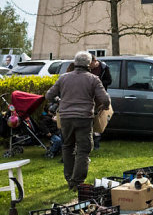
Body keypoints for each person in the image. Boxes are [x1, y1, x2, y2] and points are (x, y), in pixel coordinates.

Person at [46, 50, 110, 191]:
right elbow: (105, 100)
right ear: (89, 64)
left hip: (66, 118)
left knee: (67, 146)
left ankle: (69, 178)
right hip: (84, 118)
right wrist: (103, 108)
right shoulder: (93, 79)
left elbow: (49, 95)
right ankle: (77, 182)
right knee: (83, 149)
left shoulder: (64, 78)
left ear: (75, 63)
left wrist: (59, 100)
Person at [88, 55, 113, 149]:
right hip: (90, 96)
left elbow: (109, 81)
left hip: (99, 97)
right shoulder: (87, 68)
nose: (90, 66)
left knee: (98, 119)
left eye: (91, 64)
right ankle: (90, 142)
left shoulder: (104, 67)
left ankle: (96, 144)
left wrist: (98, 82)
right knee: (90, 119)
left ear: (95, 61)